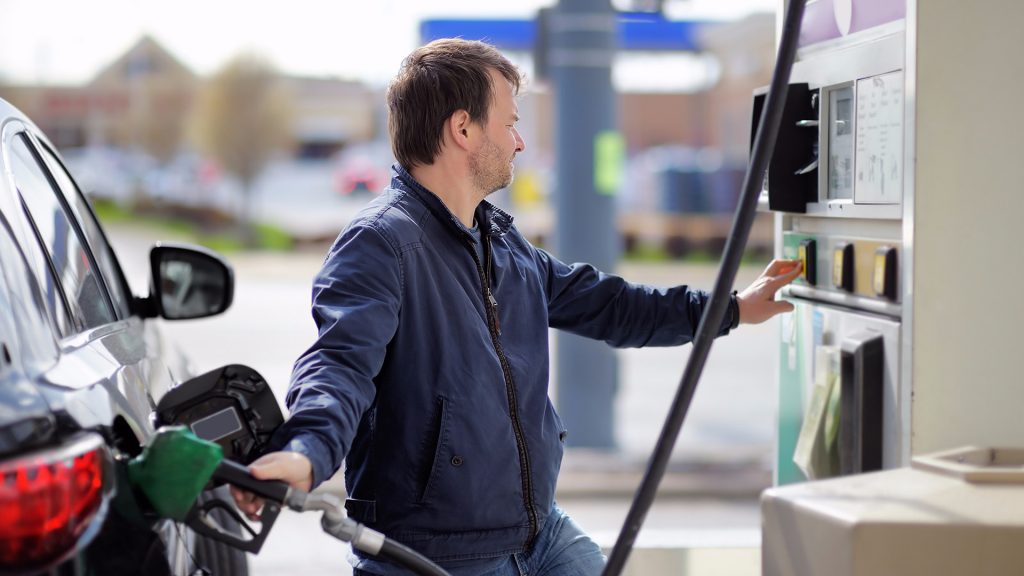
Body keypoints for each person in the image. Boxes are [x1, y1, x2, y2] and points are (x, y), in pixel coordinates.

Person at [232, 38, 801, 575]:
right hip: (437, 555)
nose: (519, 142)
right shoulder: (381, 245)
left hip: (538, 533)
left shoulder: (500, 243)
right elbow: (338, 365)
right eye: (509, 124)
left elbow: (612, 306)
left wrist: (731, 309)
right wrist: (306, 451)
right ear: (462, 129)